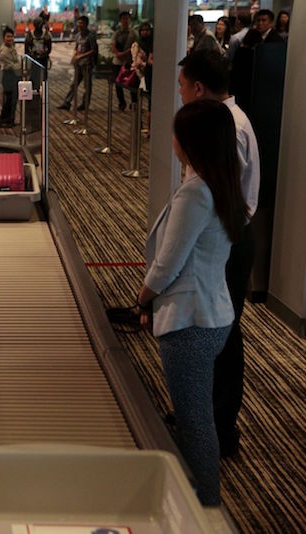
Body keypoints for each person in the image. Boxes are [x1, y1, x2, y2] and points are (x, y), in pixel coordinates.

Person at [138, 100, 248, 505]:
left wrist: (143, 299)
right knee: (195, 415)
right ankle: (195, 497)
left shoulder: (196, 194)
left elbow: (168, 264)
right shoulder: (223, 183)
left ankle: (205, 507)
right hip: (213, 315)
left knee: (195, 421)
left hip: (191, 322)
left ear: (190, 142)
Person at [178, 50, 260, 458]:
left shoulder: (230, 126)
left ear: (198, 87)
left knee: (223, 332)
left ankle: (221, 428)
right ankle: (204, 414)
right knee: (215, 327)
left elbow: (222, 193)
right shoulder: (225, 119)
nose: (180, 95)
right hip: (224, 234)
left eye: (181, 86)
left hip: (229, 237)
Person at [58, 16, 98, 111]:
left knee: (87, 86)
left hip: (87, 64)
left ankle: (85, 104)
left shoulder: (91, 36)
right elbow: (77, 47)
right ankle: (67, 102)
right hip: (78, 64)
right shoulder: (78, 35)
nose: (79, 25)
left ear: (86, 24)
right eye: (78, 23)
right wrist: (74, 56)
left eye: (81, 23)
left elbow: (94, 50)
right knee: (74, 84)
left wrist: (81, 56)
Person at [111, 11, 138, 111]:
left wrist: (126, 53)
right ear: (120, 20)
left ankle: (134, 103)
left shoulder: (134, 33)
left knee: (133, 83)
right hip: (117, 62)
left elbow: (136, 46)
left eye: (127, 18)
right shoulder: (117, 33)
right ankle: (121, 103)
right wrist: (118, 54)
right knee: (118, 83)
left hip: (130, 62)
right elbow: (112, 45)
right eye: (123, 19)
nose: (125, 21)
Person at [0, 27, 21, 128]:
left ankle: (10, 120)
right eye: (8, 36)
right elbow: (14, 66)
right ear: (3, 38)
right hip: (8, 77)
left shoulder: (11, 47)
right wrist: (20, 66)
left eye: (11, 36)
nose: (10, 38)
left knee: (13, 100)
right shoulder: (4, 52)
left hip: (13, 77)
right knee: (9, 101)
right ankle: (4, 120)